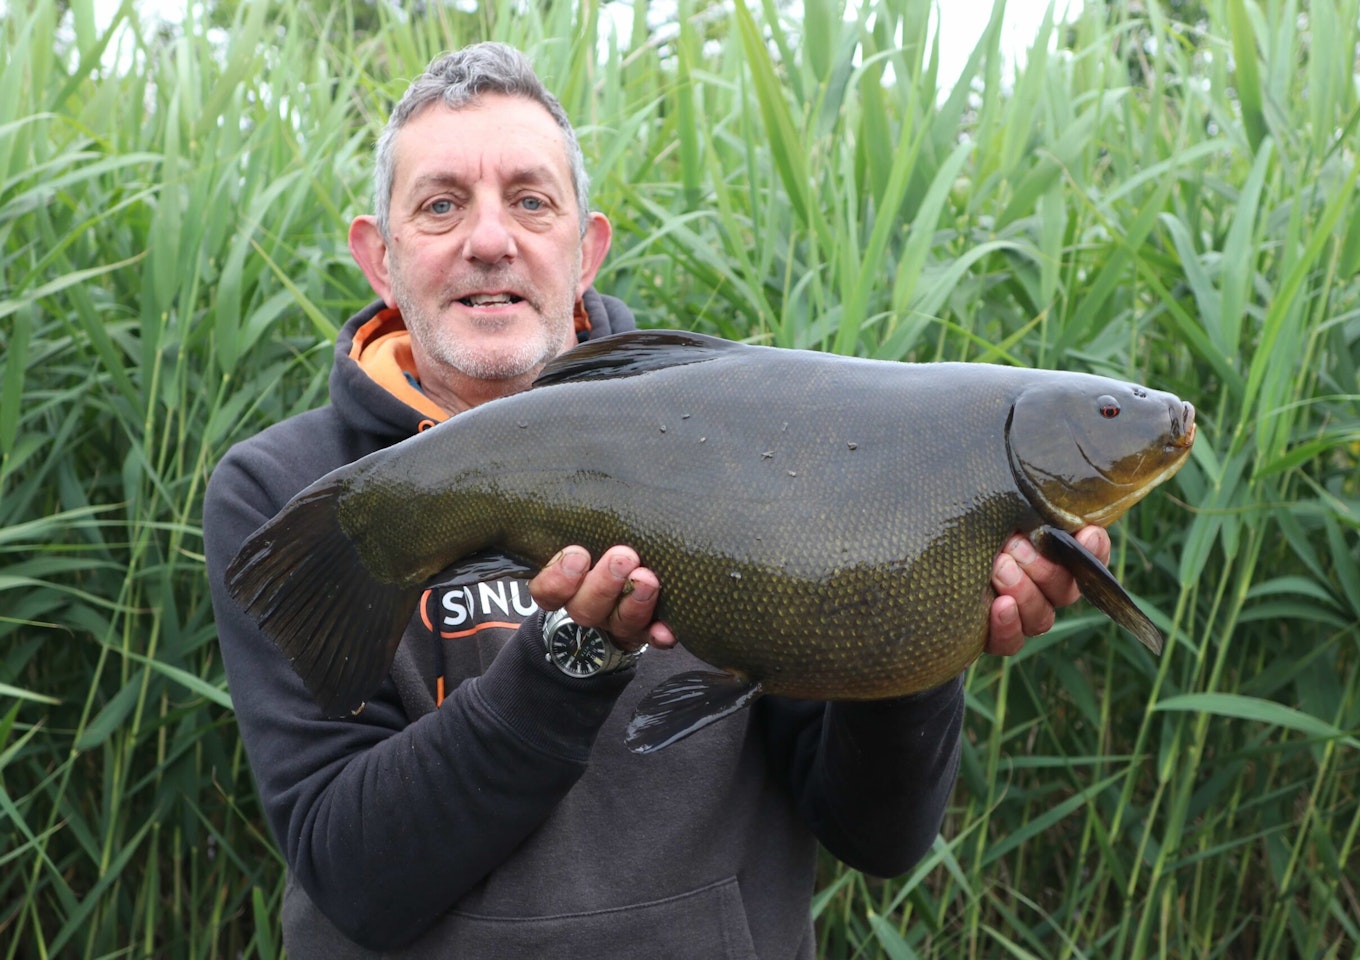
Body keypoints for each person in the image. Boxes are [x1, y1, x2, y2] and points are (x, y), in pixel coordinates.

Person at [202, 41, 1113, 958]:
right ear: (380, 257)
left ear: (586, 247)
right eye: (441, 206)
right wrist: (567, 658)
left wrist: (930, 614)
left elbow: (877, 838)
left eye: (531, 201)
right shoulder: (300, 496)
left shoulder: (749, 426)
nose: (490, 239)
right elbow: (355, 874)